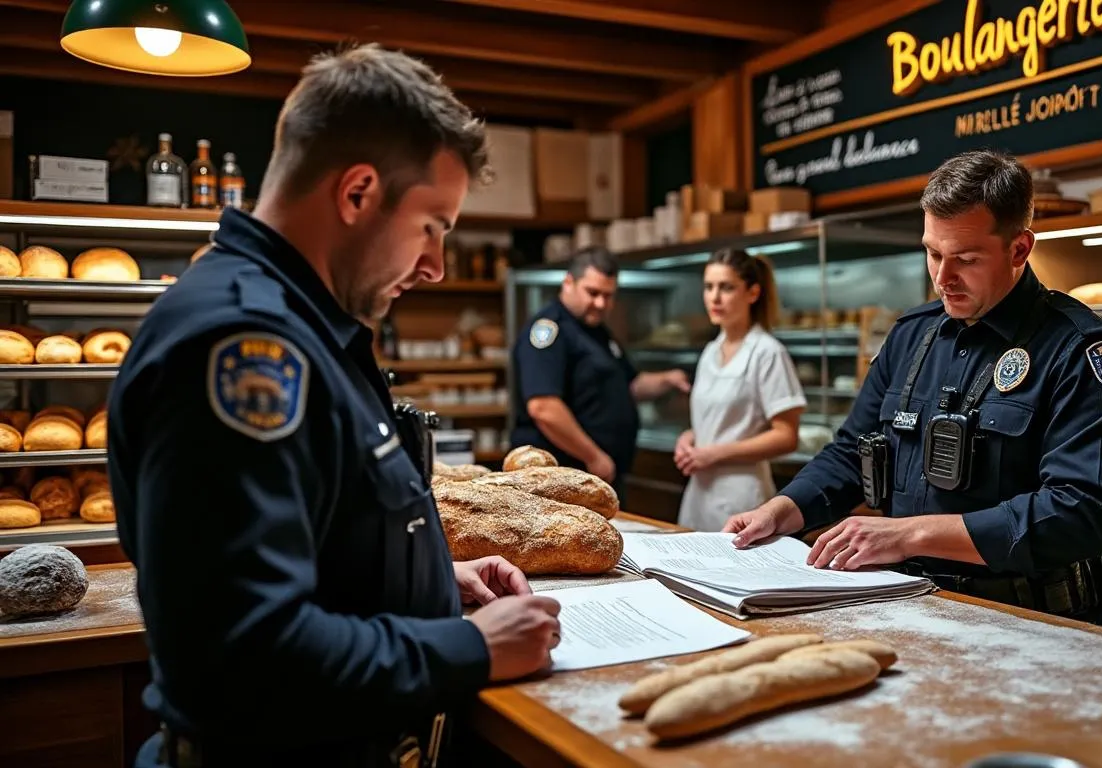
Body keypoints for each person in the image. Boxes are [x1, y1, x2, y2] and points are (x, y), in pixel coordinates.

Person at [108, 44, 562, 767]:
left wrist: (425, 583)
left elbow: (312, 529)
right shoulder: (241, 344)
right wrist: (465, 646)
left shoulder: (310, 328)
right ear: (357, 194)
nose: (436, 266)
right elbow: (242, 655)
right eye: (432, 226)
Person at [724, 149, 1102, 627]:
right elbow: (851, 452)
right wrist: (782, 509)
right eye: (933, 253)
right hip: (911, 606)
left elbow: (1079, 513)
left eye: (965, 259)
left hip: (1035, 618)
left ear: (1020, 249)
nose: (943, 279)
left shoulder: (1079, 351)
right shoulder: (911, 335)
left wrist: (908, 535)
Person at [510, 246, 689, 498]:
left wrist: (668, 379)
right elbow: (543, 407)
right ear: (569, 282)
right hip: (563, 480)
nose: (601, 303)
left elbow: (630, 385)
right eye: (592, 293)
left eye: (609, 296)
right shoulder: (550, 330)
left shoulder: (597, 332)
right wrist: (593, 456)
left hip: (598, 477)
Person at [674, 249, 805, 532]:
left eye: (726, 287)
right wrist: (691, 437)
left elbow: (787, 436)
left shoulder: (767, 352)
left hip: (742, 498)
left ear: (752, 293)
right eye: (709, 287)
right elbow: (718, 421)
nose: (715, 297)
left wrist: (713, 454)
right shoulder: (710, 351)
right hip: (698, 496)